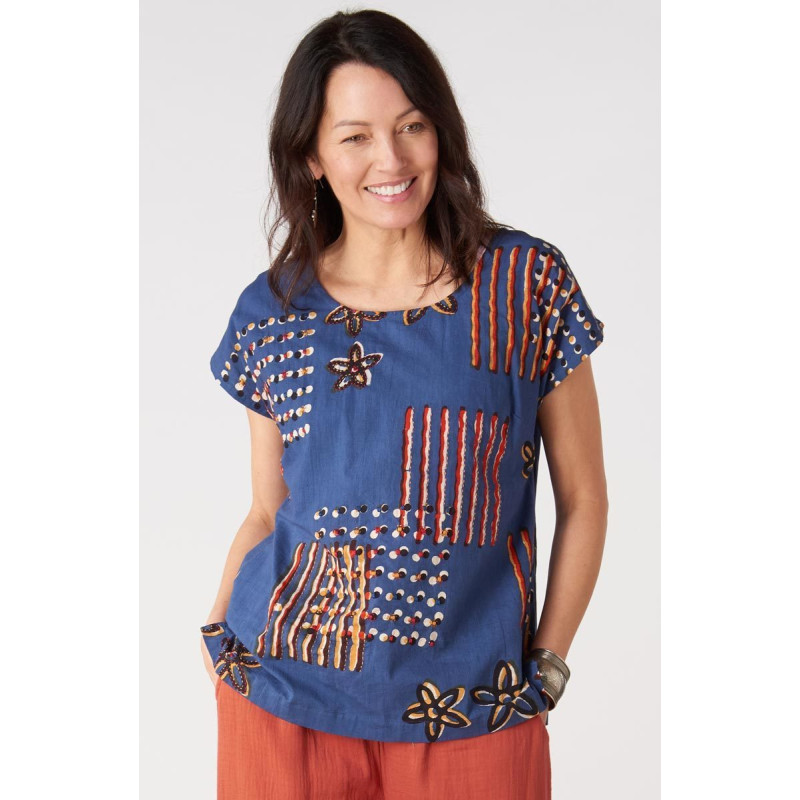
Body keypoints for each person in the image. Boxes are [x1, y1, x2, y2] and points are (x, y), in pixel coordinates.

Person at [200, 9, 608, 800]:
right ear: (311, 156)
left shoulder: (525, 287)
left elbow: (585, 498)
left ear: (441, 132)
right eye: (354, 136)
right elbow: (269, 510)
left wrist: (550, 665)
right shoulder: (273, 313)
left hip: (474, 709)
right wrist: (218, 636)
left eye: (411, 126)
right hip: (281, 696)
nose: (390, 159)